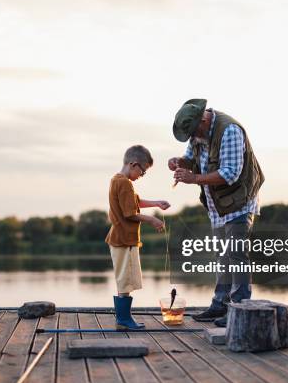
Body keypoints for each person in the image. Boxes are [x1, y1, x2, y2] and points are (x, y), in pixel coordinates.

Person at [169, 98, 264, 326]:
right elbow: (190, 159)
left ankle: (238, 309)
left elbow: (230, 173)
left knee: (236, 257)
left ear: (203, 119)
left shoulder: (229, 130)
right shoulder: (198, 133)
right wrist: (179, 162)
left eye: (193, 132)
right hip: (217, 208)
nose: (192, 138)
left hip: (239, 205)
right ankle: (219, 305)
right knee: (222, 258)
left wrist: (194, 179)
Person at [106, 145, 170, 330]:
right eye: (142, 171)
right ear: (134, 164)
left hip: (121, 239)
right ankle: (124, 320)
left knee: (125, 280)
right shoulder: (125, 183)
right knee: (125, 281)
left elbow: (135, 202)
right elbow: (129, 213)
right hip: (124, 239)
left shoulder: (118, 180)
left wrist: (156, 202)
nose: (141, 175)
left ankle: (124, 318)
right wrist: (152, 220)